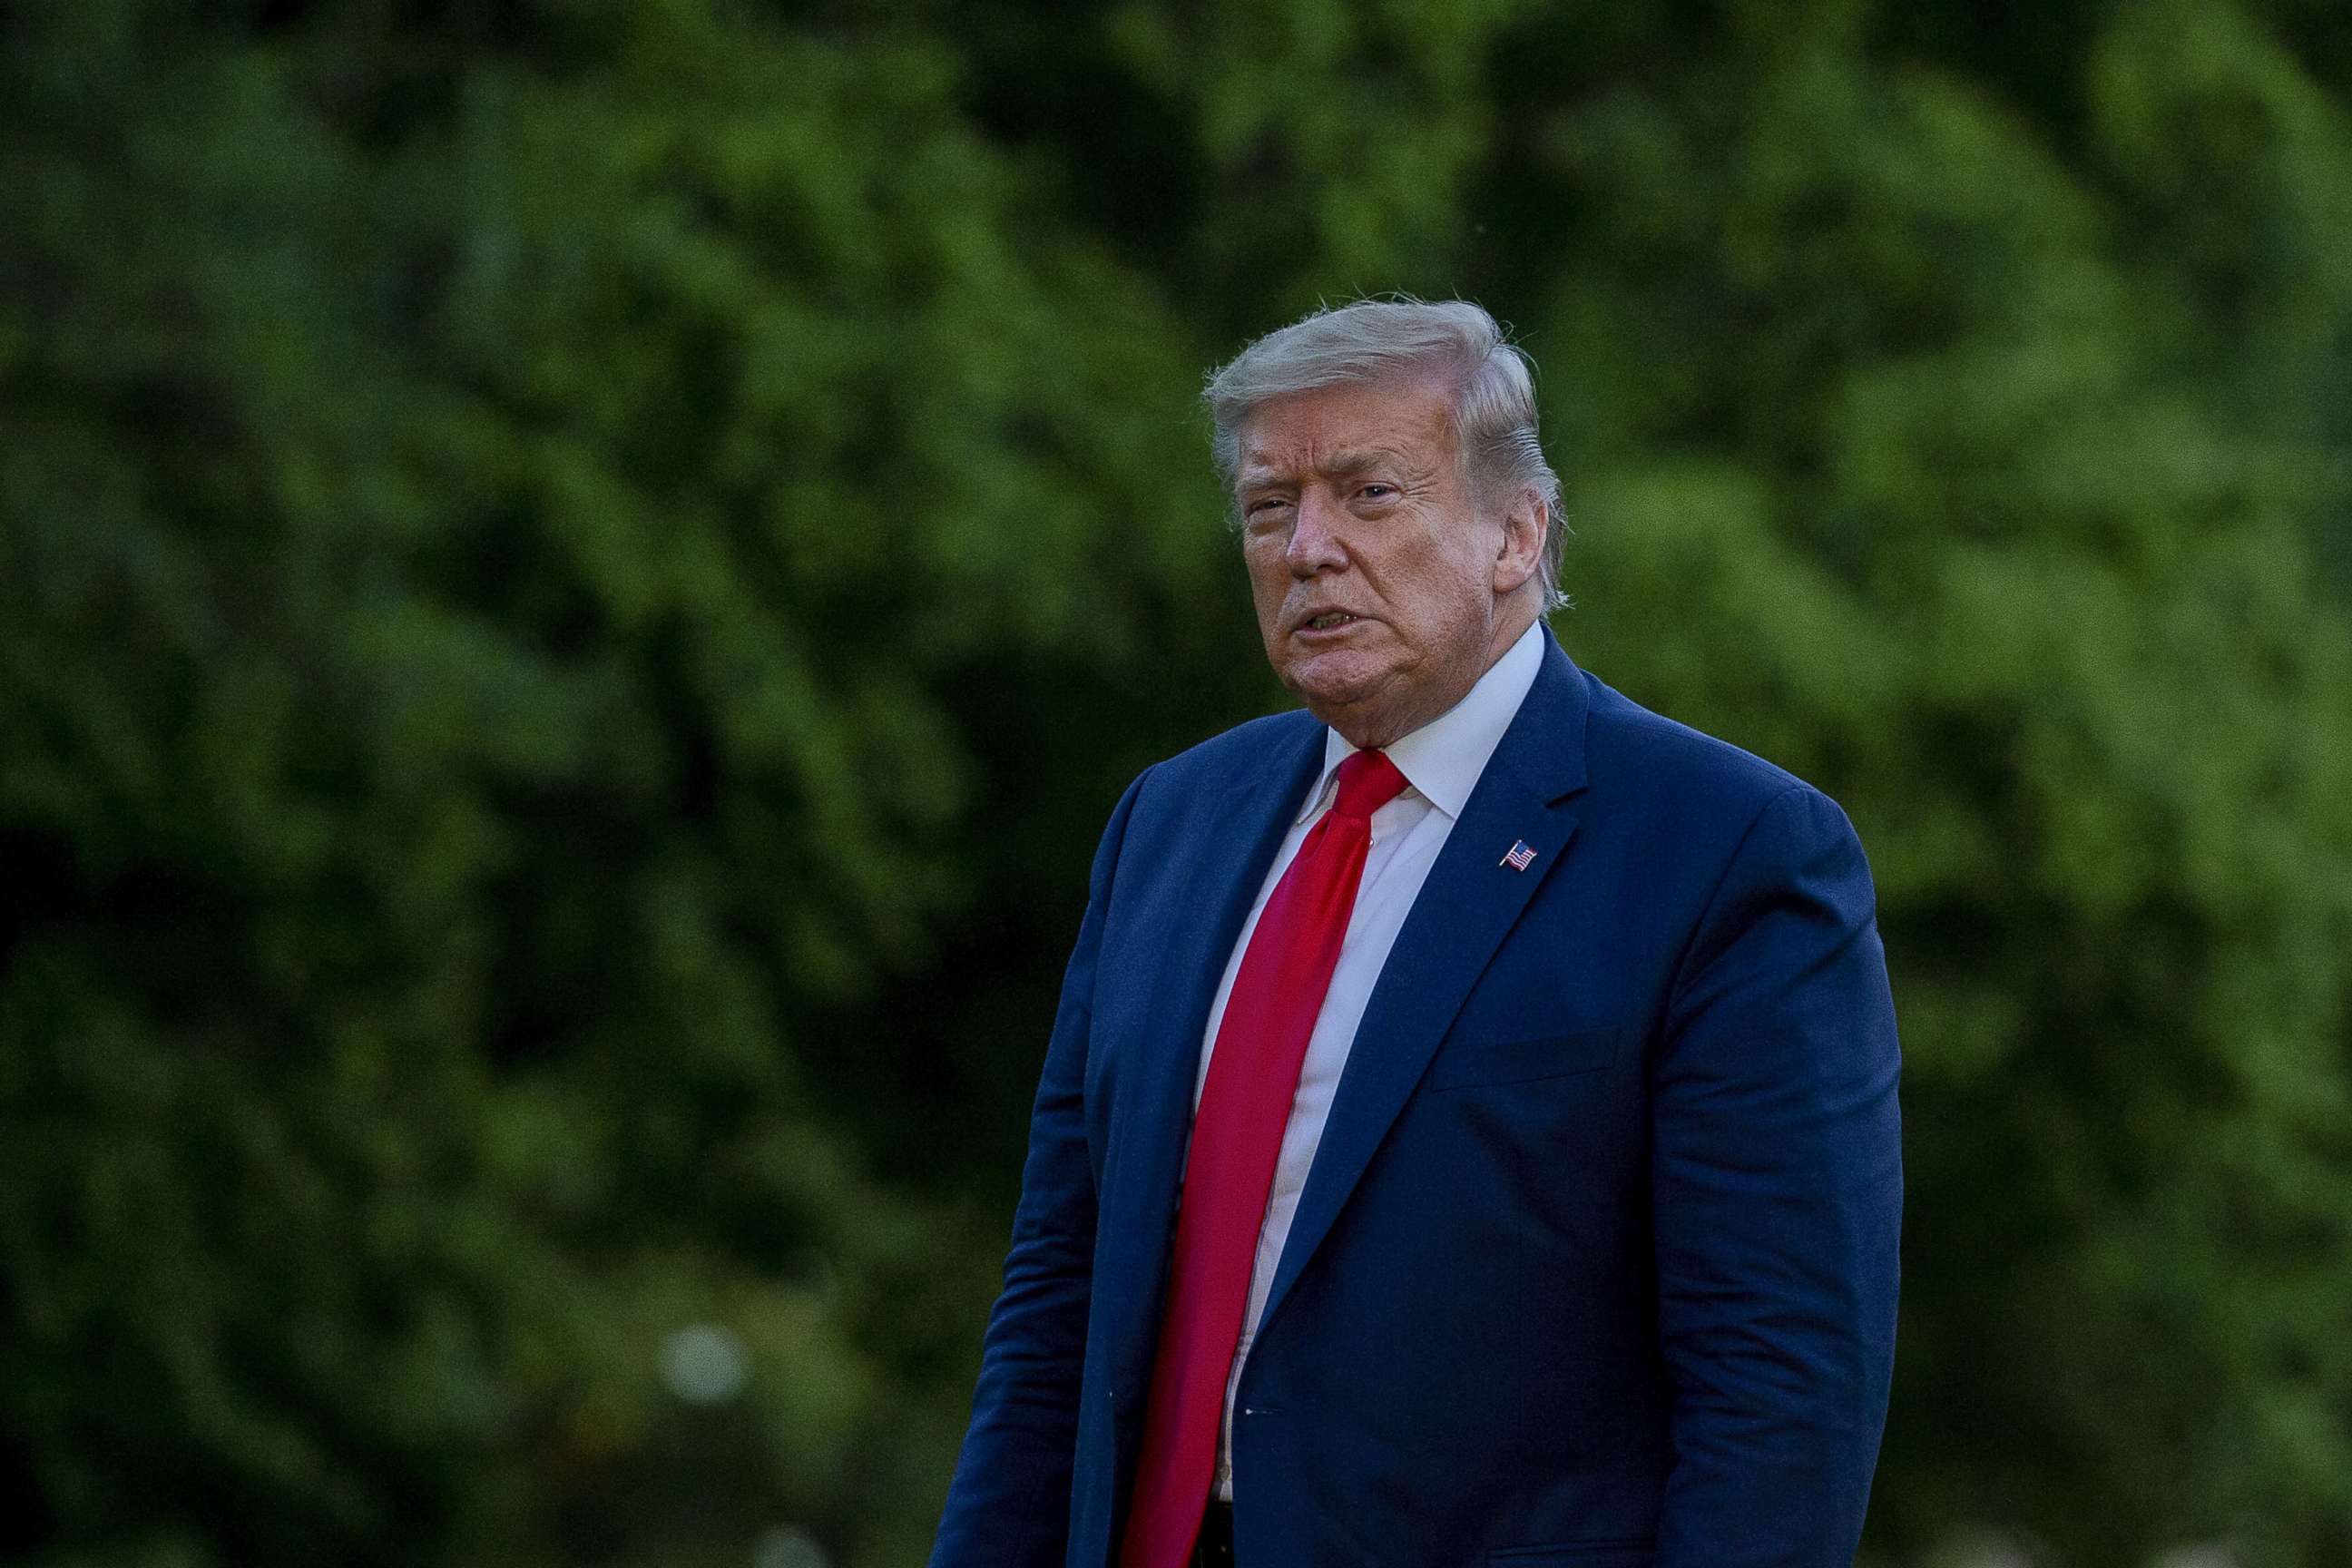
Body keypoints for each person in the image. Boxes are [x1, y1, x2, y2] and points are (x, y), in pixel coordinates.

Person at [928, 299, 1902, 1568]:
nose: (1309, 549)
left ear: (1517, 532)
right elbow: (1059, 1298)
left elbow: (1782, 1394)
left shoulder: (1727, 853)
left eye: (1368, 493)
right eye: (1271, 508)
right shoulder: (1171, 823)